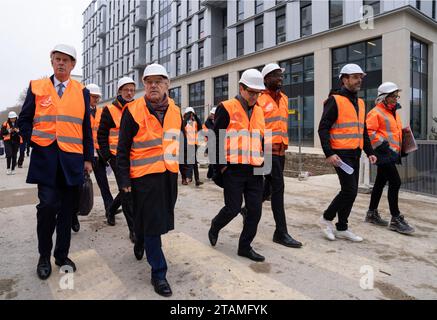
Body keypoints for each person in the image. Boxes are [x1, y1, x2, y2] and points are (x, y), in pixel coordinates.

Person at [17, 44, 93, 280]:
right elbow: (24, 120)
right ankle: (43, 256)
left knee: (67, 211)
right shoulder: (37, 87)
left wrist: (88, 158)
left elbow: (86, 129)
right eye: (57, 59)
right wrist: (34, 140)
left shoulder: (82, 92)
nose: (61, 63)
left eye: (66, 60)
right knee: (47, 207)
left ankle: (61, 255)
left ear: (73, 65)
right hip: (46, 160)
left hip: (72, 161)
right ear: (52, 62)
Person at [117, 63, 181, 297]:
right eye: (149, 82)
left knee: (160, 220)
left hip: (168, 175)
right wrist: (124, 180)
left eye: (158, 81)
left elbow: (178, 142)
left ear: (167, 84)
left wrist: (184, 171)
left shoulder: (176, 110)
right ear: (144, 85)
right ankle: (159, 273)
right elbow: (122, 149)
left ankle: (140, 237)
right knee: (154, 223)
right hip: (143, 177)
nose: (153, 85)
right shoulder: (132, 111)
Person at [208, 69, 266, 262]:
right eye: (251, 92)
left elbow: (262, 139)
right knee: (233, 208)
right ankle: (215, 225)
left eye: (258, 93)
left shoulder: (259, 110)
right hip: (233, 169)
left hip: (255, 169)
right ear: (241, 88)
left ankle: (244, 246)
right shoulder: (226, 107)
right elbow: (215, 140)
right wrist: (220, 168)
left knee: (255, 211)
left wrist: (264, 167)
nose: (255, 96)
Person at [317, 63, 377, 242]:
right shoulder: (335, 100)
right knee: (349, 190)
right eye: (355, 77)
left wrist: (369, 151)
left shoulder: (360, 102)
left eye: (361, 77)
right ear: (345, 79)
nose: (359, 80)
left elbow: (362, 130)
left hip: (355, 152)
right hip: (340, 153)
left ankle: (342, 227)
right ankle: (326, 219)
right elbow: (323, 128)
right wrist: (329, 152)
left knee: (351, 191)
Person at [247, 63, 302, 248]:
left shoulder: (285, 99)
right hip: (266, 151)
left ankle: (247, 210)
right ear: (266, 79)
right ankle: (281, 232)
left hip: (280, 150)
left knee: (269, 187)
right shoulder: (259, 100)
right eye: (276, 75)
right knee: (278, 189)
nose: (280, 78)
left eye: (281, 75)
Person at [365, 82, 414, 234]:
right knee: (395, 182)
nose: (395, 99)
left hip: (391, 153)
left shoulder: (394, 113)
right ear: (384, 97)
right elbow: (369, 132)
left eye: (396, 96)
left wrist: (402, 149)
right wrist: (384, 146)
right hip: (383, 153)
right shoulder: (375, 112)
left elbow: (395, 134)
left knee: (380, 182)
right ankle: (395, 219)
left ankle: (372, 213)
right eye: (393, 96)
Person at [98, 77, 135, 242]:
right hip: (115, 156)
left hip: (133, 155)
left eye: (132, 90)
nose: (129, 93)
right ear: (119, 91)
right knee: (126, 191)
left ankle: (111, 210)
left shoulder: (136, 108)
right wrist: (106, 156)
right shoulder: (109, 110)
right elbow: (102, 135)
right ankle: (133, 229)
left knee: (127, 188)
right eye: (126, 90)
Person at [180, 107, 203, 186]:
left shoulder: (194, 123)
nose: (191, 116)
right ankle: (187, 177)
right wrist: (187, 117)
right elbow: (182, 127)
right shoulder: (184, 122)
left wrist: (196, 116)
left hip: (194, 145)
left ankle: (197, 180)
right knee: (189, 162)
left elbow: (200, 127)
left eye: (192, 114)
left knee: (194, 163)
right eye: (190, 114)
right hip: (186, 145)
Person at [203, 107, 216, 179]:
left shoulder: (218, 120)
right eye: (211, 114)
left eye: (213, 114)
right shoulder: (207, 122)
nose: (212, 115)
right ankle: (213, 176)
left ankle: (209, 175)